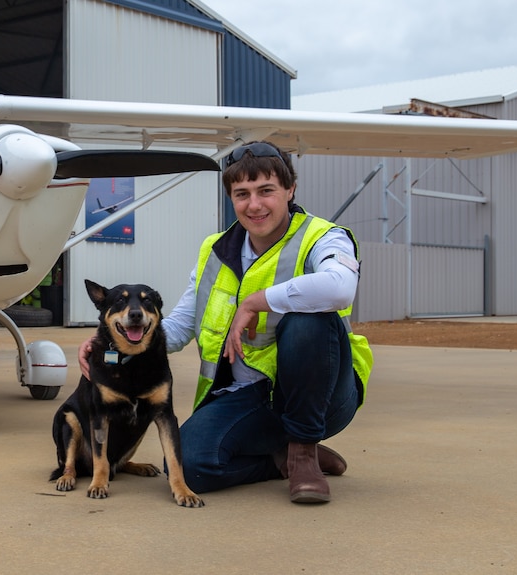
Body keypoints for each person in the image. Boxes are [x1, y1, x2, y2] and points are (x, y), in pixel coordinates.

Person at [78, 141, 373, 503]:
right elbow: (179, 327)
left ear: (290, 189)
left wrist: (257, 301)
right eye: (241, 194)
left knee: (306, 322)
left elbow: (341, 288)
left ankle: (304, 453)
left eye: (266, 191)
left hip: (323, 395)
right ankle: (277, 458)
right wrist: (111, 342)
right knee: (189, 469)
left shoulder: (323, 237)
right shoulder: (215, 251)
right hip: (247, 398)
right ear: (231, 198)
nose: (254, 205)